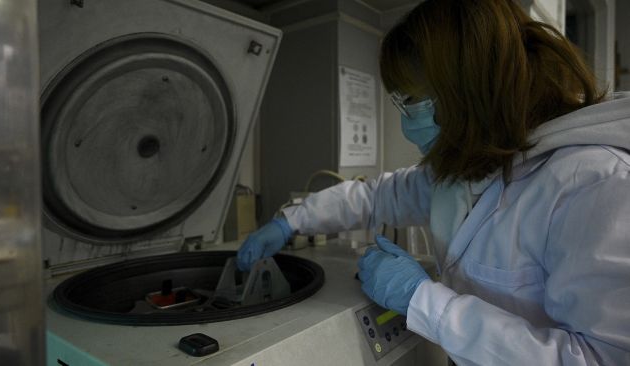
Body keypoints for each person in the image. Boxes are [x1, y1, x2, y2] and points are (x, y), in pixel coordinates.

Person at [237, 0, 630, 364]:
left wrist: (423, 301)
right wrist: (291, 220)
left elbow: (600, 357)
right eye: (400, 102)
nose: (407, 124)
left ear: (469, 88)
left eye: (412, 101)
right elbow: (376, 197)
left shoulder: (598, 183)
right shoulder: (472, 164)